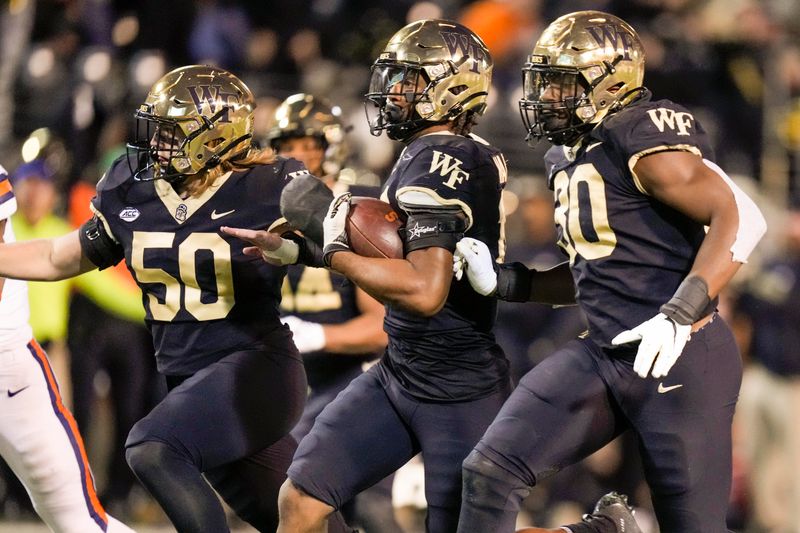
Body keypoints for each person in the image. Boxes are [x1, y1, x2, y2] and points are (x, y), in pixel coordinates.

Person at [452, 10, 767, 533]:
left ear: (609, 83)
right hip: (603, 351)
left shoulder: (638, 134)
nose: (545, 98)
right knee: (488, 472)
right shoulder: (566, 156)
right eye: (543, 83)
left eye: (560, 85)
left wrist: (679, 313)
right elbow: (592, 270)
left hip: (681, 357)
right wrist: (511, 283)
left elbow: (740, 214)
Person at [0, 64, 326, 533]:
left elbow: (348, 240)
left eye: (172, 132)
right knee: (296, 520)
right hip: (190, 383)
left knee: (152, 447)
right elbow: (56, 256)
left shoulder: (272, 184)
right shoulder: (136, 186)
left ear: (215, 138)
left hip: (254, 368)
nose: (156, 143)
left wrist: (301, 248)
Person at [264, 92, 401, 532]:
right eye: (288, 147)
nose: (298, 158)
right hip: (290, 378)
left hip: (352, 376)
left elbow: (383, 326)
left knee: (366, 509)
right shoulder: (263, 208)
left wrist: (319, 337)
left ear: (333, 147)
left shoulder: (355, 206)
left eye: (309, 145)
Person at [0, 163, 134, 533]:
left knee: (78, 520)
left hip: (9, 364)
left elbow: (54, 260)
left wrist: (150, 305)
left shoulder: (50, 231)